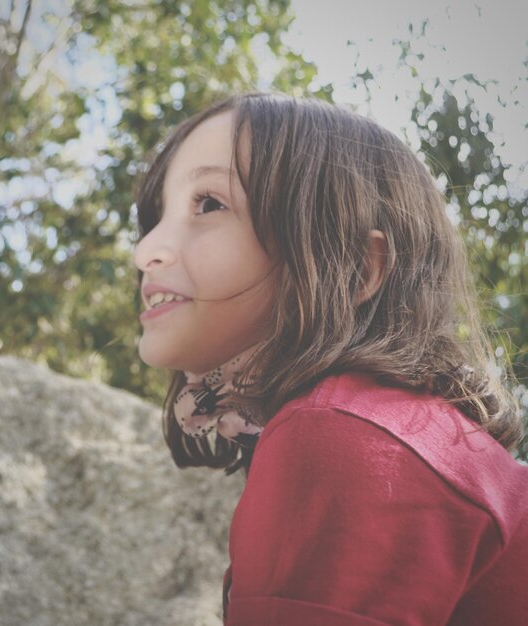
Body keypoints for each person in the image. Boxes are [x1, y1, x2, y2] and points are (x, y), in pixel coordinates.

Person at [132, 93, 528, 626]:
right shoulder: (386, 425)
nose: (146, 250)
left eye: (208, 204)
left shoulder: (338, 433)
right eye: (157, 216)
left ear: (354, 270)